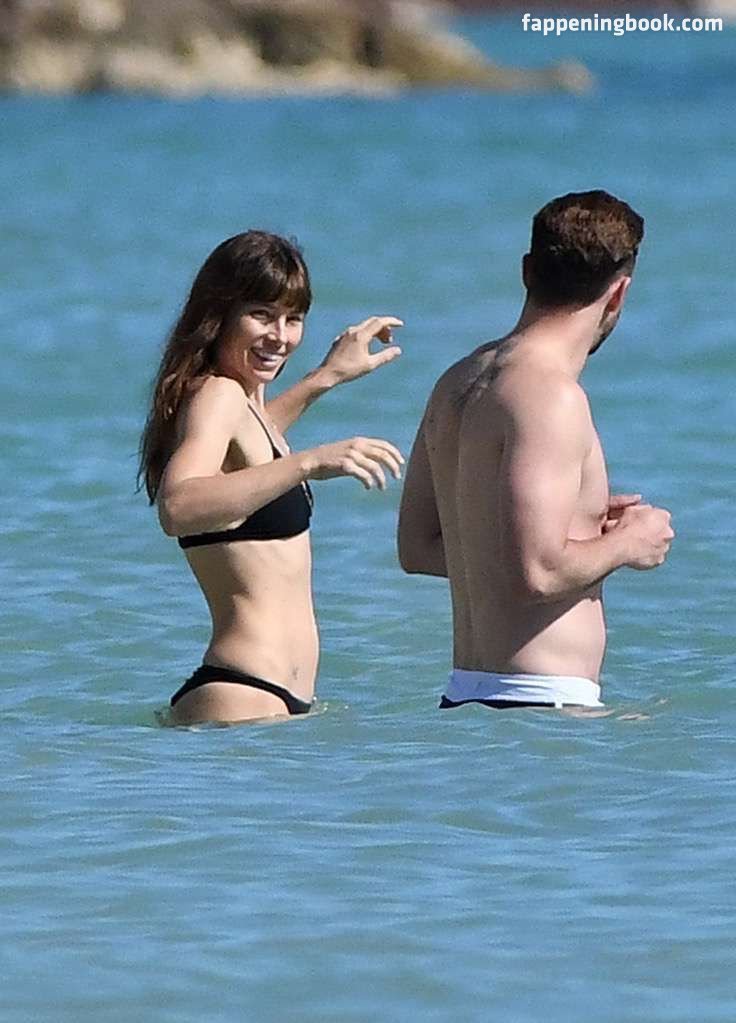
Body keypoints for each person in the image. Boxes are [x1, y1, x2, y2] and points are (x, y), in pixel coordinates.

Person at [398, 190, 674, 711]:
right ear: (619, 293)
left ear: (527, 271)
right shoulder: (552, 396)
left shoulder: (458, 381)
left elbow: (418, 548)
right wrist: (629, 543)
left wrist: (584, 534)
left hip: (465, 698)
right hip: (541, 707)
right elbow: (539, 573)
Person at [139, 230, 404, 724]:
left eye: (293, 319)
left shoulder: (240, 403)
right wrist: (310, 462)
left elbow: (257, 450)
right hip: (241, 691)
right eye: (261, 315)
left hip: (270, 694)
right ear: (220, 314)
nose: (280, 336)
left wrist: (325, 377)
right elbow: (178, 507)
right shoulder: (218, 394)